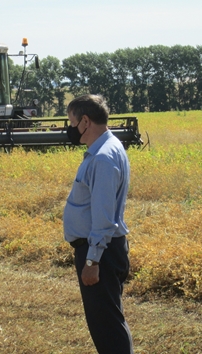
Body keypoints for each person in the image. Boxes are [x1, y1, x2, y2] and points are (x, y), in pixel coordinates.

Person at [63, 94, 134, 353]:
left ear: (85, 121)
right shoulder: (108, 147)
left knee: (108, 327)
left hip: (100, 253)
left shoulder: (103, 158)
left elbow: (104, 218)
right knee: (108, 322)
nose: (69, 129)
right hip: (102, 250)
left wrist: (92, 262)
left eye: (71, 122)